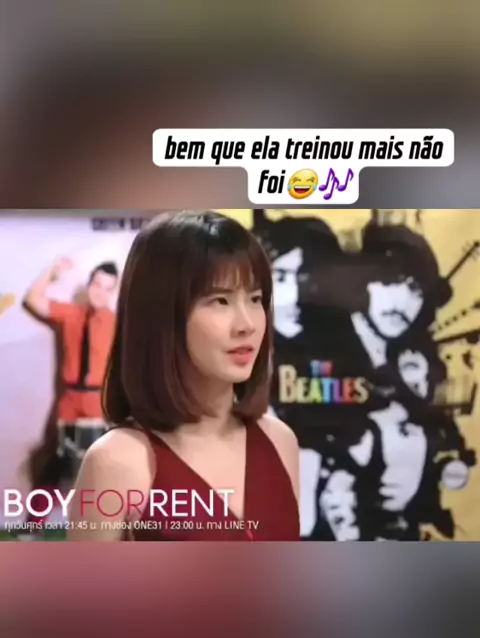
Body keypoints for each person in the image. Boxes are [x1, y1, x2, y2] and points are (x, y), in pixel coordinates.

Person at [67, 211, 300, 541]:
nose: (247, 324)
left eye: (255, 299)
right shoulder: (117, 461)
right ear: (162, 315)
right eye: (220, 300)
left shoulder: (279, 442)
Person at [24, 258, 118, 494]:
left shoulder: (117, 324)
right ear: (89, 285)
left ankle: (99, 515)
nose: (100, 292)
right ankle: (40, 516)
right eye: (97, 285)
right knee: (59, 463)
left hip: (97, 402)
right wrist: (52, 271)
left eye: (107, 288)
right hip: (69, 400)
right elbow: (32, 300)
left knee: (95, 467)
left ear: (113, 292)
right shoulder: (71, 314)